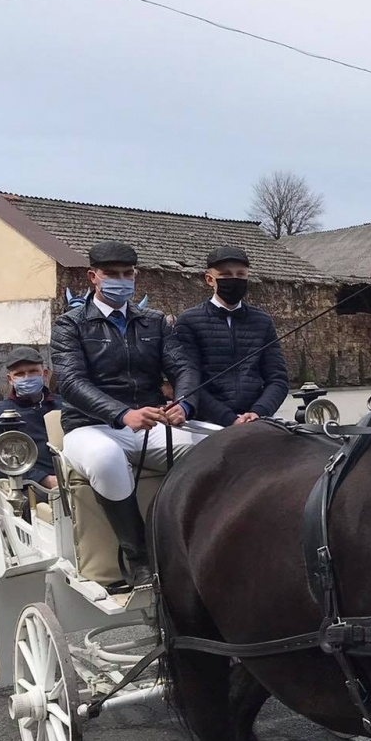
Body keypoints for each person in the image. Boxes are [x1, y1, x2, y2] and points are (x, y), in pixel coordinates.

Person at [52, 239, 203, 589]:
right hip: (90, 427)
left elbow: (183, 366)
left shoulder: (153, 322)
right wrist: (122, 414)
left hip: (149, 424)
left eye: (127, 273)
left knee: (207, 449)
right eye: (112, 274)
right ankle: (138, 558)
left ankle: (195, 543)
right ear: (94, 276)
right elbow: (71, 382)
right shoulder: (69, 325)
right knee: (106, 459)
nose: (121, 280)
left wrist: (184, 403)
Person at [175, 245, 290, 426]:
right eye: (226, 275)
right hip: (207, 421)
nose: (234, 280)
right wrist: (228, 419)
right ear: (209, 279)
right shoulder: (189, 321)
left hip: (257, 418)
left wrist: (258, 411)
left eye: (240, 275)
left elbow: (278, 378)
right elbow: (189, 380)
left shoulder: (262, 321)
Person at [0, 346, 59, 489]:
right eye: (20, 374)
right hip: (29, 487)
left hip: (74, 480)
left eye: (33, 371)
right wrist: (42, 478)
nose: (27, 378)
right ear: (10, 379)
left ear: (44, 373)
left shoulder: (65, 406)